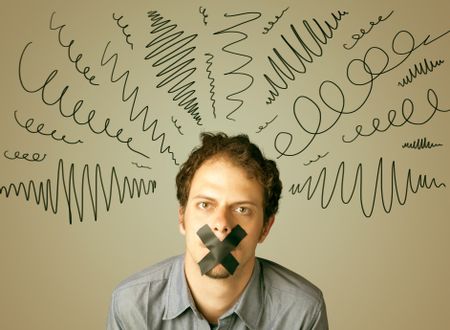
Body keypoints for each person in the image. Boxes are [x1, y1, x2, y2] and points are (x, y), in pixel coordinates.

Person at [107, 132, 328, 329]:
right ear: (182, 218)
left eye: (242, 209)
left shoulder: (302, 312)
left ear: (265, 228)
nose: (221, 224)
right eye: (205, 205)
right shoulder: (133, 304)